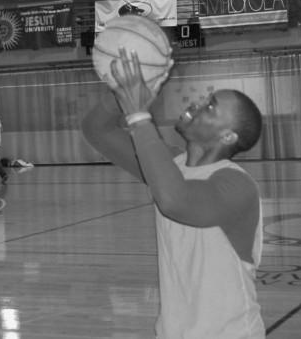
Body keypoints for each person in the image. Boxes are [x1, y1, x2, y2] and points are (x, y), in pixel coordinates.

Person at [82, 50, 264, 339]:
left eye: (211, 107)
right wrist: (124, 93)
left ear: (227, 137)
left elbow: (175, 201)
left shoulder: (238, 185)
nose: (199, 102)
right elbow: (96, 130)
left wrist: (139, 115)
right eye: (206, 98)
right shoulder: (172, 166)